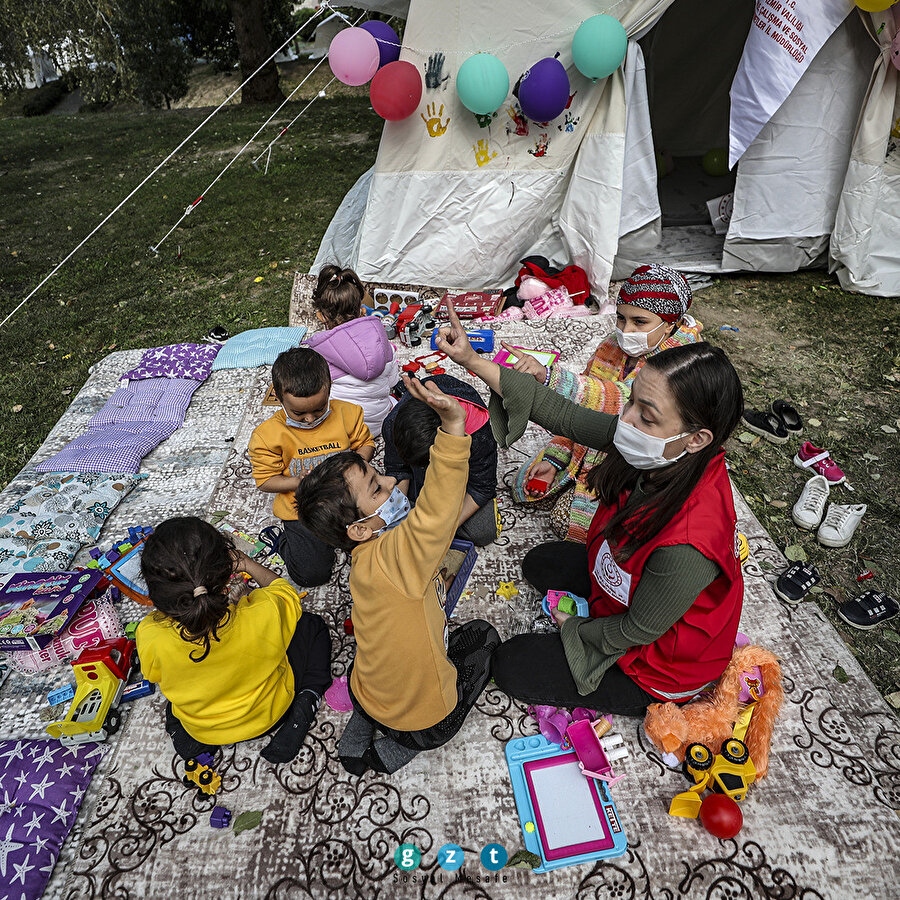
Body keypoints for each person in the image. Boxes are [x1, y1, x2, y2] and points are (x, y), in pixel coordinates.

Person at [433, 305, 744, 717]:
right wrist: (472, 360)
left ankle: (649, 693)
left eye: (646, 416)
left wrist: (575, 630)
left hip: (658, 662)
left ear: (697, 439)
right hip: (634, 589)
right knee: (543, 561)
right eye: (631, 401)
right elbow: (563, 414)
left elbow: (638, 630)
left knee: (512, 664)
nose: (626, 420)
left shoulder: (688, 544)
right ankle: (600, 600)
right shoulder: (660, 449)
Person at [296, 375, 500, 775]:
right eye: (377, 488)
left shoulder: (362, 558)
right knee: (483, 640)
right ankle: (396, 749)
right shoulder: (404, 552)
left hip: (368, 689)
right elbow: (437, 511)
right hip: (420, 717)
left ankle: (364, 717)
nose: (391, 481)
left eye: (379, 474)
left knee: (383, 669)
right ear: (358, 528)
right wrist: (454, 429)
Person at [510, 263, 703, 544]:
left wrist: (551, 376)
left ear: (672, 324)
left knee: (567, 522)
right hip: (595, 439)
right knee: (527, 486)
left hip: (637, 460)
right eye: (621, 319)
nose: (626, 330)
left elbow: (619, 399)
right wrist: (556, 456)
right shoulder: (612, 345)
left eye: (639, 322)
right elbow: (583, 410)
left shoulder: (683, 365)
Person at [136, 517, 332, 764]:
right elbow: (285, 591)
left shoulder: (150, 633)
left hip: (203, 726)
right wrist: (247, 564)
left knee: (176, 701)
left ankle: (190, 737)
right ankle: (305, 701)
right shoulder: (262, 611)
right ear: (227, 573)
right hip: (269, 714)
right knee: (312, 626)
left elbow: (154, 676)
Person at [248, 347, 375, 587]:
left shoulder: (349, 413)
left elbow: (366, 444)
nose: (310, 419)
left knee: (382, 551)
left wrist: (353, 467)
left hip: (348, 501)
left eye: (319, 408)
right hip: (303, 511)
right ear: (277, 396)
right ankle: (285, 542)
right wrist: (299, 482)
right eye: (298, 413)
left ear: (329, 387)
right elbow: (266, 481)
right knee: (312, 575)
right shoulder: (267, 436)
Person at [383, 372, 500, 547]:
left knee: (483, 531)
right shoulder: (393, 423)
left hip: (462, 479)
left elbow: (482, 488)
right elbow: (398, 470)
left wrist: (444, 529)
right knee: (397, 520)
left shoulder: (478, 434)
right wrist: (400, 515)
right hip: (421, 470)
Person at [305, 265, 399, 438]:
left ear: (321, 316)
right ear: (362, 309)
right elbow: (393, 380)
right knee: (392, 399)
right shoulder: (383, 340)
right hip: (383, 422)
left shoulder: (317, 354)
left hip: (345, 430)